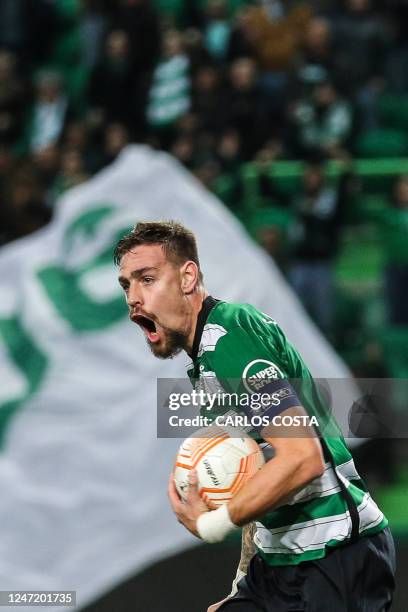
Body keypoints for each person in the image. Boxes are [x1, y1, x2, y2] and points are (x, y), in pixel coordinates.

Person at [114, 221, 395, 611]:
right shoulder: (205, 362)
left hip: (334, 556)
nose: (133, 297)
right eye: (126, 284)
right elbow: (252, 470)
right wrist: (243, 582)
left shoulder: (231, 335)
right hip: (280, 563)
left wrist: (212, 524)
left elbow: (303, 458)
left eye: (147, 279)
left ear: (188, 277)